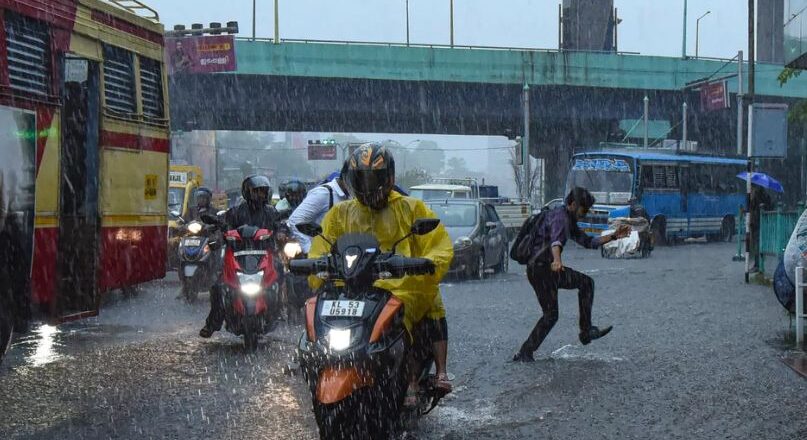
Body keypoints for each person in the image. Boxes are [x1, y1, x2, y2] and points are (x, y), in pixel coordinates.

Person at [309, 143, 454, 406]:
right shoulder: (341, 213)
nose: (367, 186)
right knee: (315, 310)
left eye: (373, 179)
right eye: (361, 179)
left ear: (388, 179)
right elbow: (323, 245)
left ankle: (432, 373)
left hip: (401, 282)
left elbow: (438, 244)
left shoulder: (411, 208)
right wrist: (315, 265)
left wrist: (427, 263)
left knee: (431, 302)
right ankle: (313, 359)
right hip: (353, 283)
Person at [512, 187, 630, 362]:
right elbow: (556, 241)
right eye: (583, 209)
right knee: (552, 313)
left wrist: (613, 237)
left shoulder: (567, 218)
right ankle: (525, 353)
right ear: (573, 204)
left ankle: (585, 331)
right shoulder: (560, 218)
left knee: (585, 284)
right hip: (543, 270)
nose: (585, 213)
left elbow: (588, 242)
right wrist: (557, 260)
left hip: (545, 269)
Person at [199, 175, 285, 338]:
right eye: (256, 191)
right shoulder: (236, 212)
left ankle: (278, 309)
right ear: (247, 192)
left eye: (263, 191)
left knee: (281, 272)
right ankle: (213, 323)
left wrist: (281, 233)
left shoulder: (271, 212)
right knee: (218, 286)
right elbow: (224, 226)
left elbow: (280, 226)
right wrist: (218, 235)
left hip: (263, 256)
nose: (260, 195)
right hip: (239, 255)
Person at [288, 162, 351, 254]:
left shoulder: (353, 196)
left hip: (348, 255)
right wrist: (309, 250)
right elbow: (295, 220)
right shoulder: (323, 193)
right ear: (346, 177)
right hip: (324, 259)